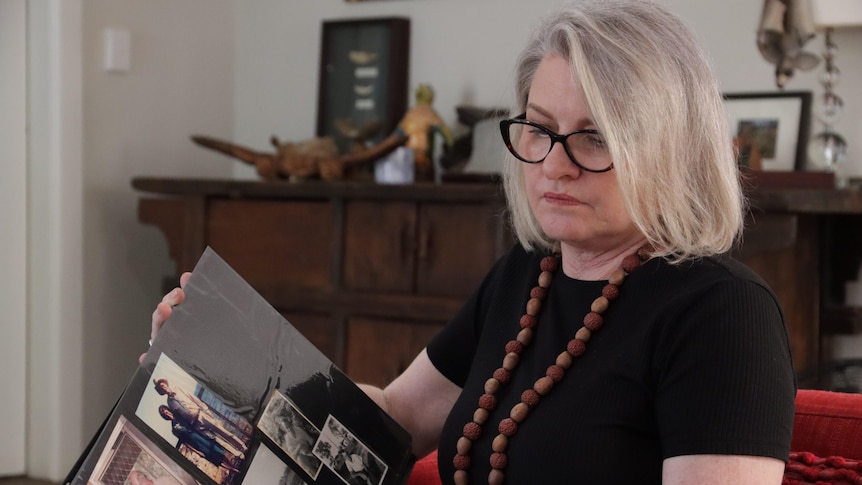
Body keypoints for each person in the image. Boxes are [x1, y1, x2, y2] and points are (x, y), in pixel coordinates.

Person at [149, 1, 795, 483]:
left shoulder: (723, 313)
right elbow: (391, 415)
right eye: (538, 129)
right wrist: (222, 365)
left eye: (595, 137)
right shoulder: (528, 273)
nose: (553, 164)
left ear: (674, 154)